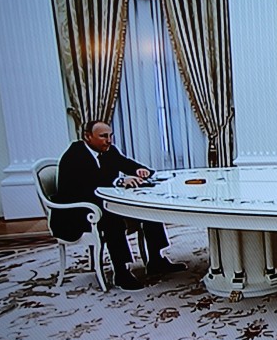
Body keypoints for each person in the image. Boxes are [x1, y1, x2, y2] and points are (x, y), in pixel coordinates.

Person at [51, 120, 186, 291]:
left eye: (110, 136)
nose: (109, 140)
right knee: (111, 218)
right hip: (76, 211)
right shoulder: (74, 156)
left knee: (149, 208)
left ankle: (156, 260)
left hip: (100, 203)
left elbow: (126, 164)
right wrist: (120, 180)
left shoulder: (108, 151)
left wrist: (140, 171)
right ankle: (121, 272)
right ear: (87, 137)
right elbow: (87, 186)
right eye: (103, 136)